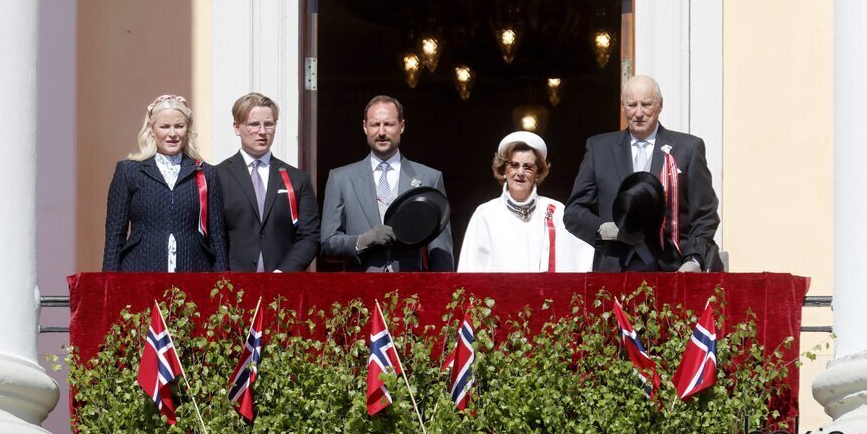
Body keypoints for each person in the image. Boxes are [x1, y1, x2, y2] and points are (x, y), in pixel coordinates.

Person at [563, 75, 720, 272]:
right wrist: (608, 230)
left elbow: (705, 215)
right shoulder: (599, 149)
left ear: (660, 106)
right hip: (614, 272)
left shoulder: (688, 149)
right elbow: (574, 213)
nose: (638, 113)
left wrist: (695, 260)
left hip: (672, 270)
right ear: (622, 106)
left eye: (646, 104)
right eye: (631, 105)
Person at [321, 95, 454, 271]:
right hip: (360, 292)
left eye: (389, 124)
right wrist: (362, 240)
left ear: (402, 126)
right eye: (375, 125)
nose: (381, 132)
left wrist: (441, 293)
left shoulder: (429, 177)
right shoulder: (341, 179)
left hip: (412, 292)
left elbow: (440, 250)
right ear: (364, 127)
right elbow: (327, 244)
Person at [103, 94, 227, 272]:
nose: (172, 134)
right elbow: (115, 235)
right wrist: (108, 286)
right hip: (140, 272)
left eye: (179, 126)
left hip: (194, 271)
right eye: (164, 126)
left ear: (188, 129)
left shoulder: (206, 173)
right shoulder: (129, 171)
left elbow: (217, 238)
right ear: (151, 129)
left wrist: (222, 286)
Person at [458, 132, 594, 272]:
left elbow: (584, 261)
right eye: (514, 165)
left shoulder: (557, 211)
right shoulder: (486, 214)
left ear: (538, 173)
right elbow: (469, 270)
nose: (521, 173)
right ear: (504, 170)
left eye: (528, 167)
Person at [217, 93, 320, 272]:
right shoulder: (218, 176)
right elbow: (213, 236)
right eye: (254, 124)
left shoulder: (297, 179)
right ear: (236, 127)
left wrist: (283, 273)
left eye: (269, 124)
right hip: (233, 284)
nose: (263, 132)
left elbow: (309, 236)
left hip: (284, 284)